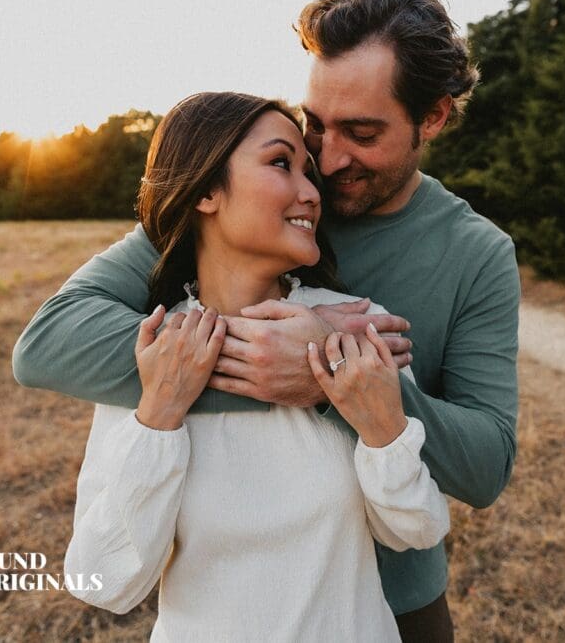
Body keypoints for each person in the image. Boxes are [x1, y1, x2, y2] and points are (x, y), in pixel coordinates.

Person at [14, 0, 520, 641]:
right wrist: (256, 350)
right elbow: (47, 344)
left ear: (432, 116)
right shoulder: (253, 201)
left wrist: (328, 378)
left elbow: (485, 465)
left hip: (396, 606)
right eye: (317, 124)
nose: (326, 161)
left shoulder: (476, 252)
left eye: (361, 132)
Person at [61, 91, 449, 641]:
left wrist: (384, 429)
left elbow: (417, 528)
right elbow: (104, 582)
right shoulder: (160, 354)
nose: (312, 193)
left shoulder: (358, 329)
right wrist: (160, 413)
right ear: (206, 192)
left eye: (308, 172)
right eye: (280, 163)